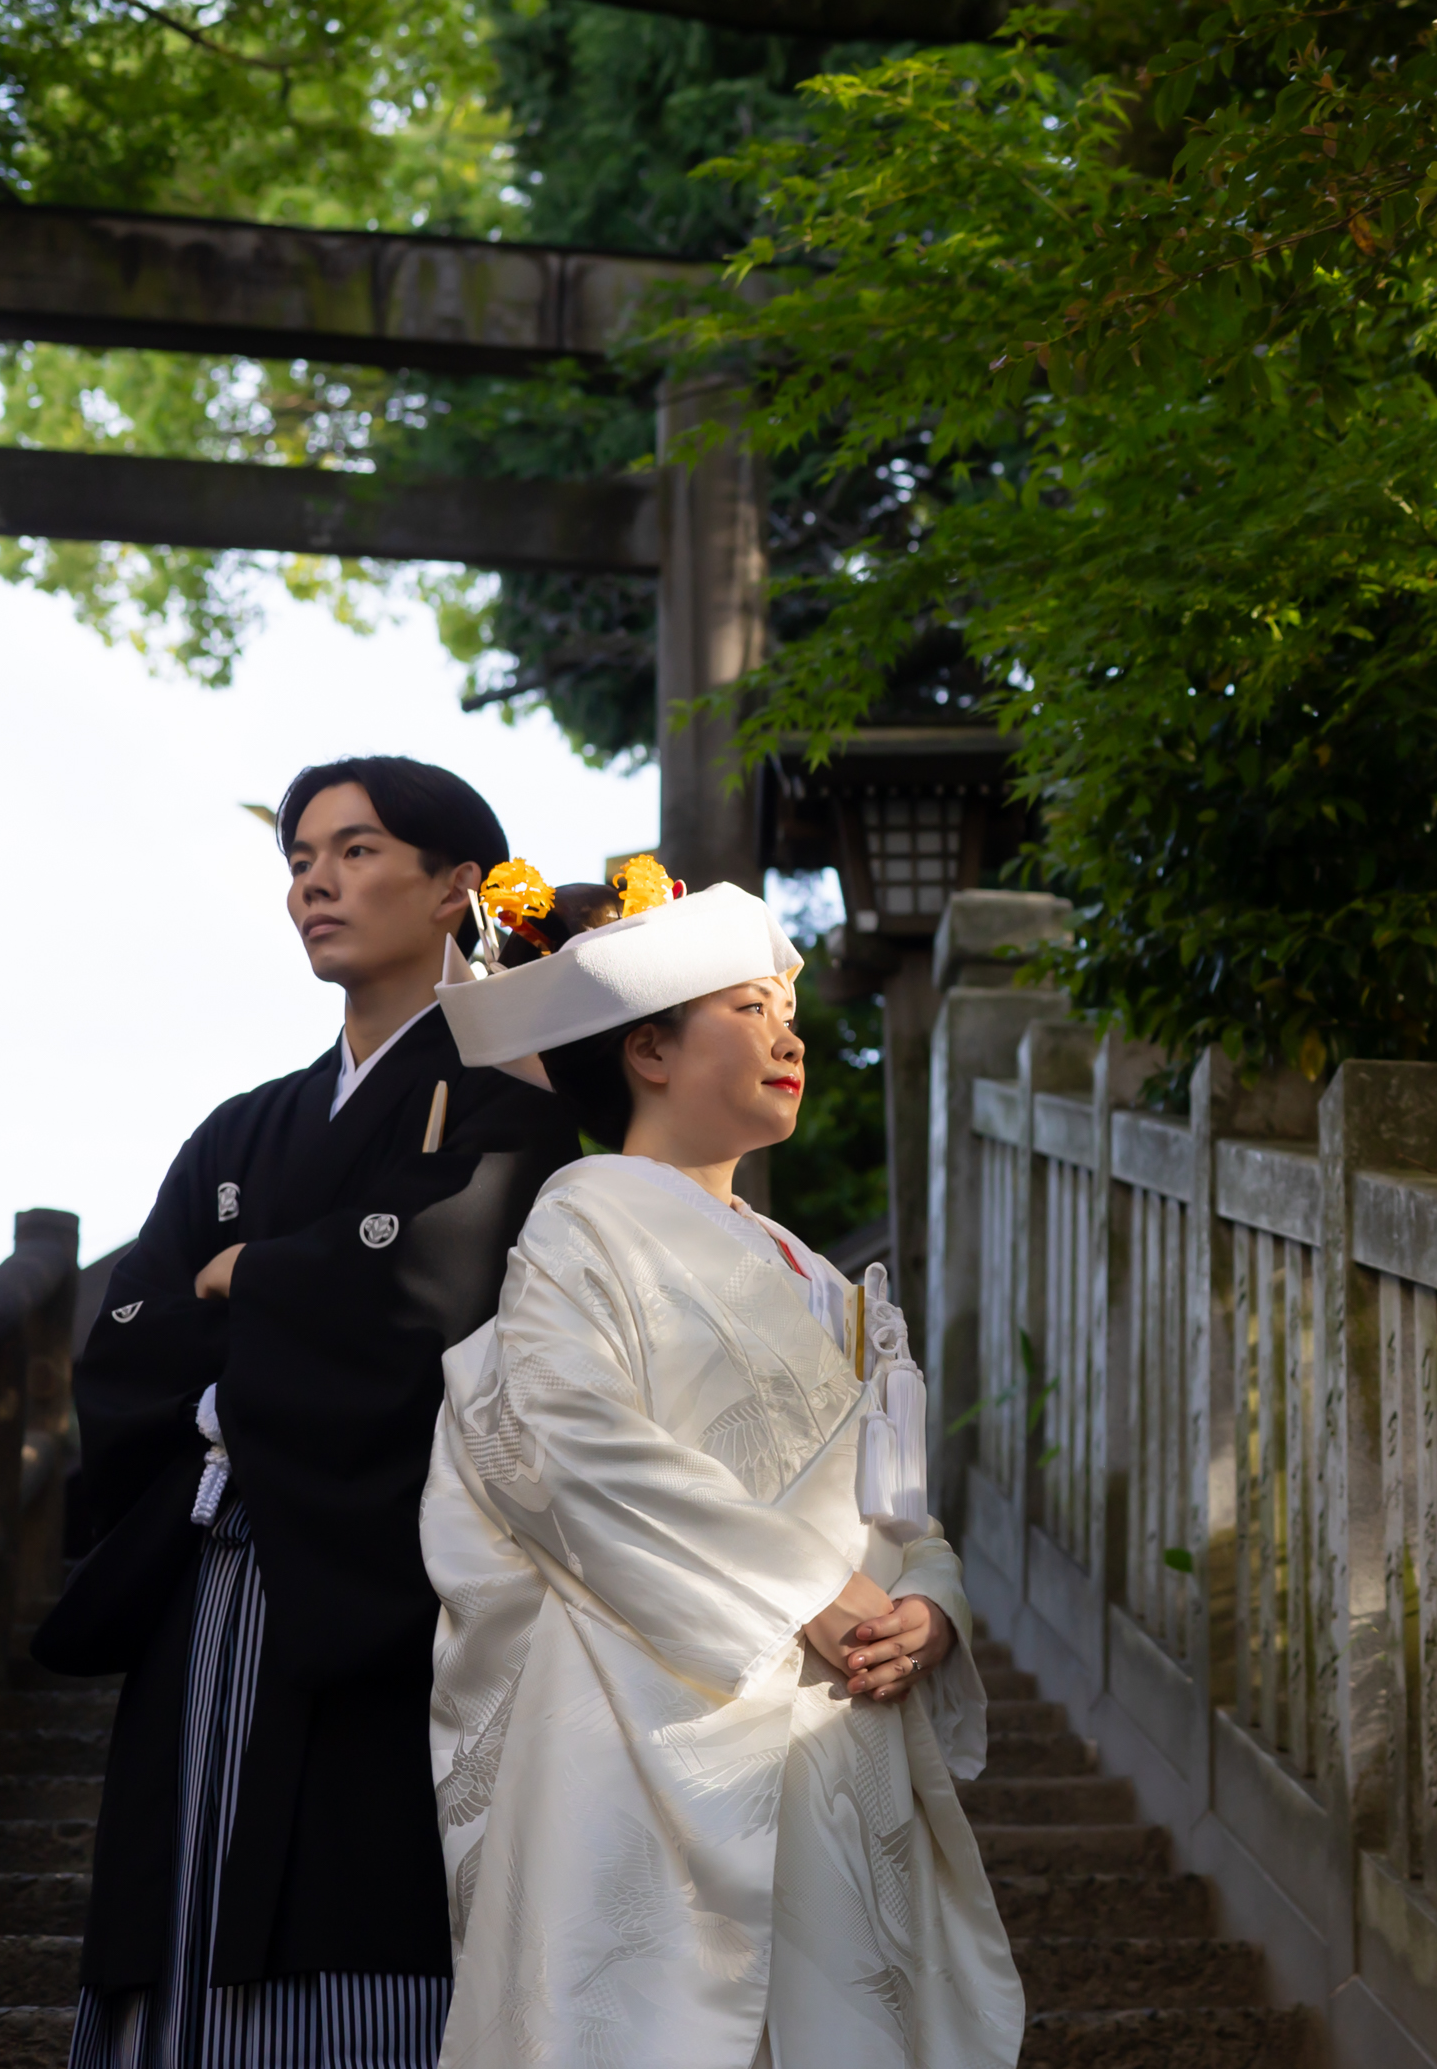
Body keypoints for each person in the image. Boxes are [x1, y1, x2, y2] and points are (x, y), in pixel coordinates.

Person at [419, 868, 1024, 2069]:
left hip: (834, 1701)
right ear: (648, 1049)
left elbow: (895, 1500)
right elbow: (572, 1447)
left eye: (787, 1014)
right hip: (646, 1704)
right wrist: (803, 1593)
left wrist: (928, 1609)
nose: (789, 1036)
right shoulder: (581, 1217)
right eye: (751, 1010)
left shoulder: (824, 1276)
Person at [37, 759, 585, 2067]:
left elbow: (428, 1296)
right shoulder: (244, 1129)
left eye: (355, 850)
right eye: (298, 859)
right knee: (180, 1880)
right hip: (206, 1565)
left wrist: (250, 1286)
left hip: (392, 1579)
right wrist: (293, 1295)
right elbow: (124, 1336)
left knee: (365, 1882)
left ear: (460, 888)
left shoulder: (509, 1109)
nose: (315, 883)